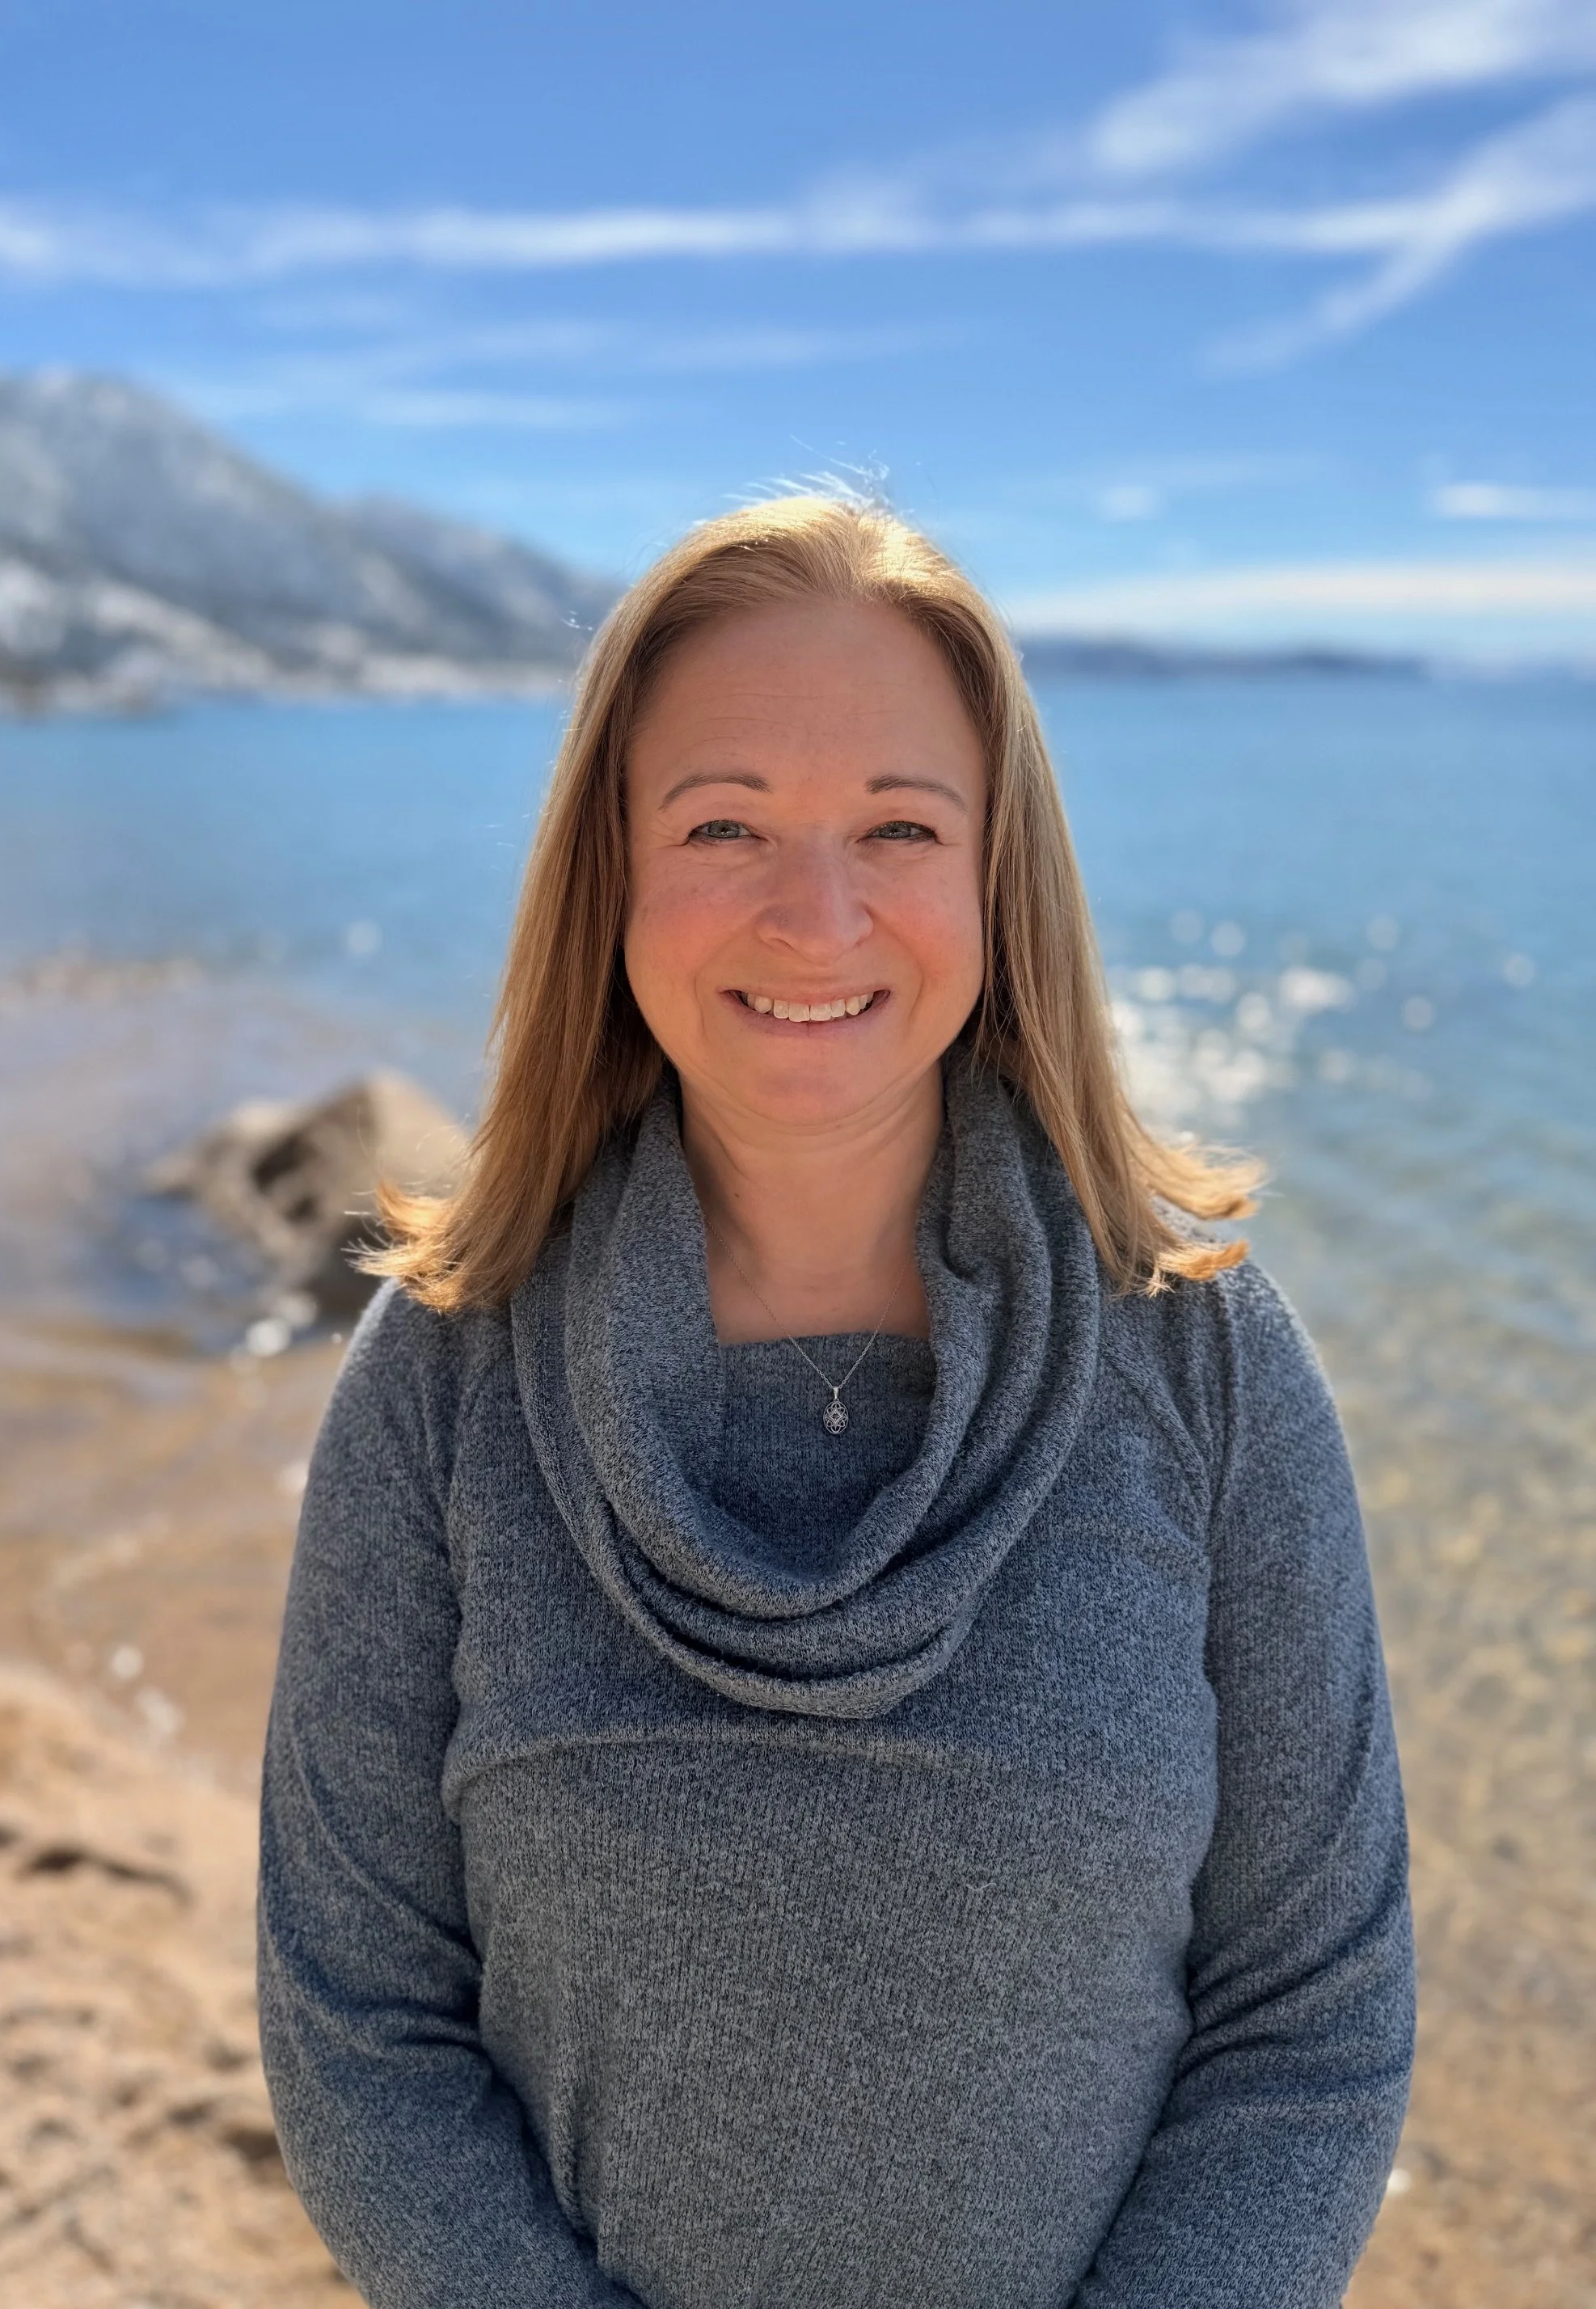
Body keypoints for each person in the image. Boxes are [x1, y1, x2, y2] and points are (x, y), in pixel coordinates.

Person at [257, 496, 1413, 2309]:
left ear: (992, 880)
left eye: (899, 826)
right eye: (725, 824)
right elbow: (360, 2023)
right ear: (612, 875)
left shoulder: (1201, 1358)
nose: (818, 914)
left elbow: (1312, 2022)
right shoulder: (444, 1375)